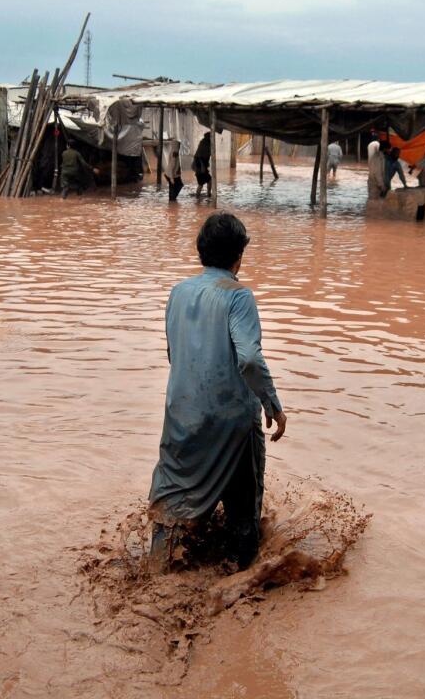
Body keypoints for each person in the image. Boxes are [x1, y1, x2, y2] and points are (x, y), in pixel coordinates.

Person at [148, 212, 286, 572]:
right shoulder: (239, 296)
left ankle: (156, 569)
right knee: (243, 509)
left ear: (201, 252)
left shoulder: (178, 293)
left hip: (181, 415)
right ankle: (240, 579)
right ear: (239, 255)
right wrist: (273, 405)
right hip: (230, 420)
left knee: (171, 498)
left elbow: (173, 354)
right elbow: (251, 361)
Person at [193, 132, 213, 197]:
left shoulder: (206, 143)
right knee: (201, 183)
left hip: (202, 167)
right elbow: (199, 156)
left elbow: (206, 155)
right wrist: (203, 167)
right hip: (200, 167)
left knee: (209, 181)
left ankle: (207, 194)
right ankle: (198, 197)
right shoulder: (204, 143)